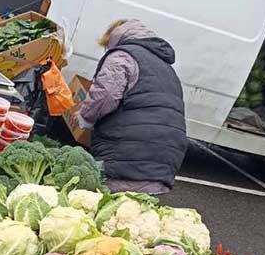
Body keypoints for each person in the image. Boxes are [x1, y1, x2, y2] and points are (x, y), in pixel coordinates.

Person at [72, 18, 188, 193]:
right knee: (136, 213)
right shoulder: (166, 67)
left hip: (128, 155)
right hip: (166, 160)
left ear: (112, 38)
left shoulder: (122, 56)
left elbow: (105, 96)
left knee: (109, 210)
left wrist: (83, 117)